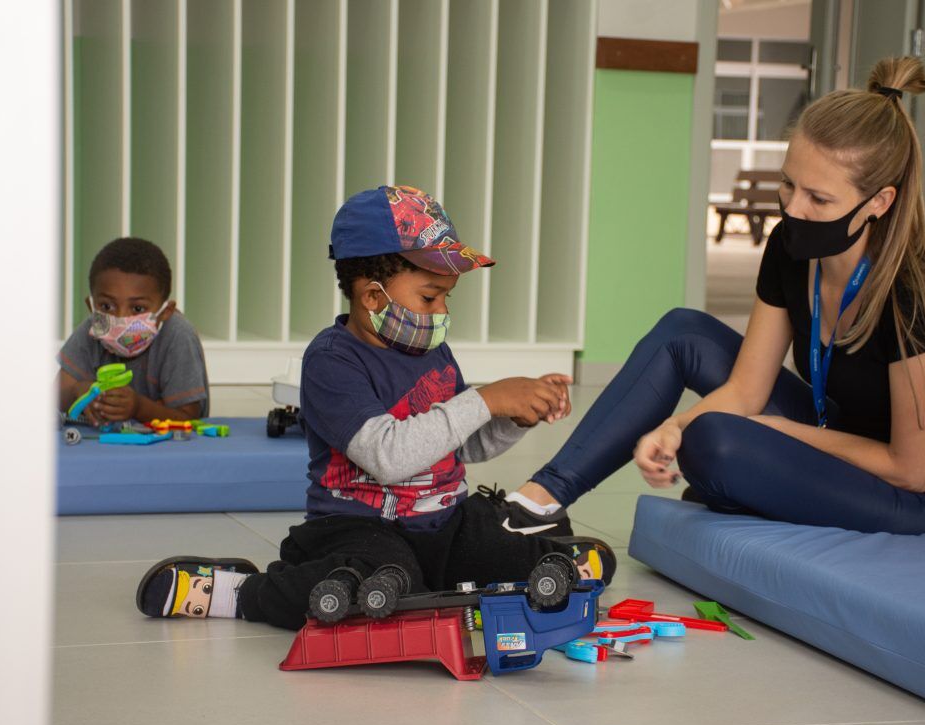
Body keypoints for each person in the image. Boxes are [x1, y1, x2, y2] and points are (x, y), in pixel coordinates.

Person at [499, 56, 925, 537]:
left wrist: (769, 434)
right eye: (789, 184)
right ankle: (538, 503)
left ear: (878, 202)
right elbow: (746, 389)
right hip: (847, 437)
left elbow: (910, 469)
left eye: (820, 198)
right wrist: (674, 426)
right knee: (684, 334)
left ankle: (748, 482)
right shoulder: (791, 249)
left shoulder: (922, 295)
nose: (794, 208)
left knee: (717, 444)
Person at [135, 186, 615, 630]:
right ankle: (240, 592)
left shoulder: (434, 353)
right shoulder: (330, 361)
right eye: (430, 297)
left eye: (446, 297)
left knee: (493, 547)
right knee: (367, 581)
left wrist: (511, 418)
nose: (442, 312)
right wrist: (486, 398)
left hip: (443, 523)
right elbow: (389, 457)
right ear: (371, 295)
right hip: (358, 528)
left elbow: (461, 446)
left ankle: (550, 559)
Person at [57, 237, 209, 424]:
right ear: (91, 306)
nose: (121, 319)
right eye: (106, 306)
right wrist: (77, 391)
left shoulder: (177, 335)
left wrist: (139, 408)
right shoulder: (92, 329)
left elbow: (190, 417)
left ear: (165, 312)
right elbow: (56, 397)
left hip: (166, 450)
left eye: (137, 309)